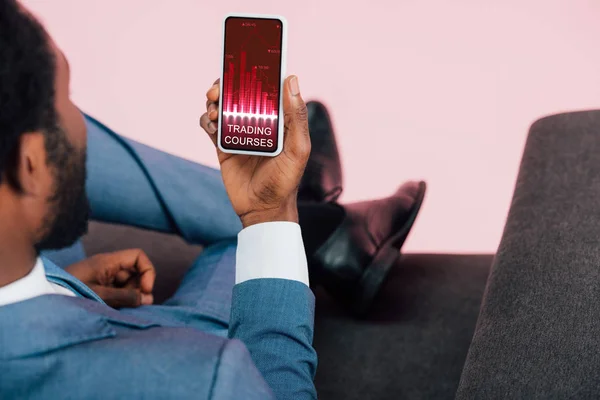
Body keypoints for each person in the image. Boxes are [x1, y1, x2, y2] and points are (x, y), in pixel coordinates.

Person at [0, 1, 426, 398]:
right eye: (69, 99)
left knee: (20, 106)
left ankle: (316, 216)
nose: (81, 120)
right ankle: (313, 220)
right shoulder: (206, 379)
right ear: (30, 166)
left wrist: (59, 279)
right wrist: (270, 216)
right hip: (150, 340)